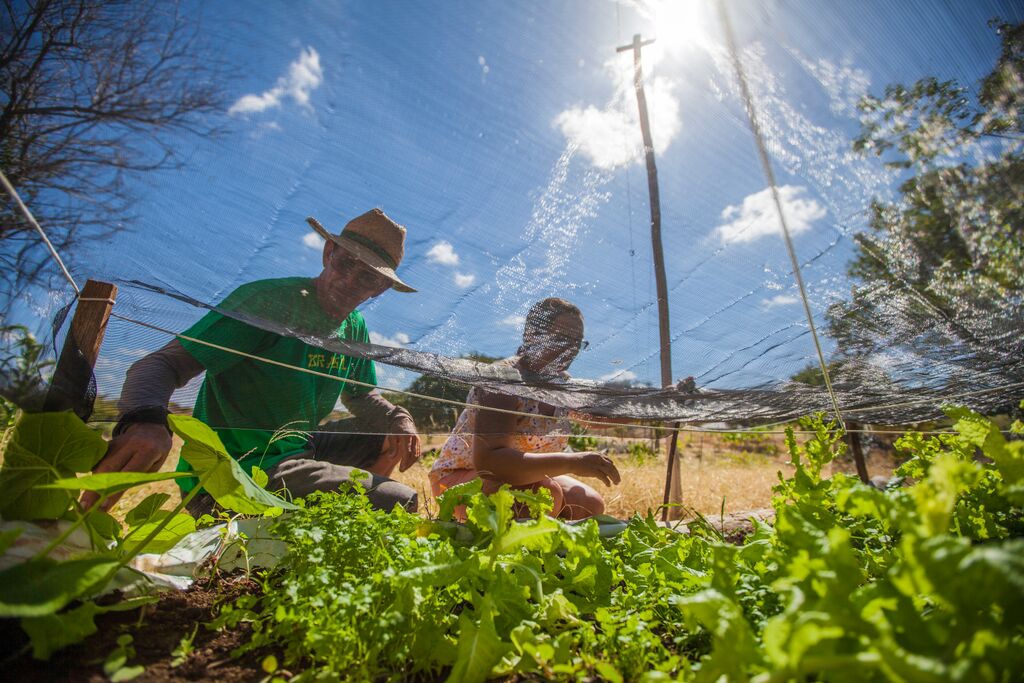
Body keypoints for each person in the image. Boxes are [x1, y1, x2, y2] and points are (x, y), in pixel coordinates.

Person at [83, 209, 423, 514]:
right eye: (346, 263)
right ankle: (244, 513)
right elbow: (163, 365)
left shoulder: (355, 328)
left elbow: (361, 396)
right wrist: (145, 419)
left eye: (367, 277)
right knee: (399, 501)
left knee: (382, 435)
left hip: (298, 449)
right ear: (328, 253)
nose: (350, 281)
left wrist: (398, 417)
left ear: (380, 289)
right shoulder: (268, 302)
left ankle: (334, 516)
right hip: (236, 472)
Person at [429, 297, 622, 520]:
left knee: (589, 504)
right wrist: (573, 462)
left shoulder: (562, 385)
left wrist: (657, 406)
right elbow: (490, 462)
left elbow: (595, 417)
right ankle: (507, 543)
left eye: (576, 343)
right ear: (531, 336)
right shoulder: (503, 379)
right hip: (461, 480)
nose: (570, 350)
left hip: (522, 477)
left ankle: (540, 538)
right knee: (546, 494)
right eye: (561, 339)